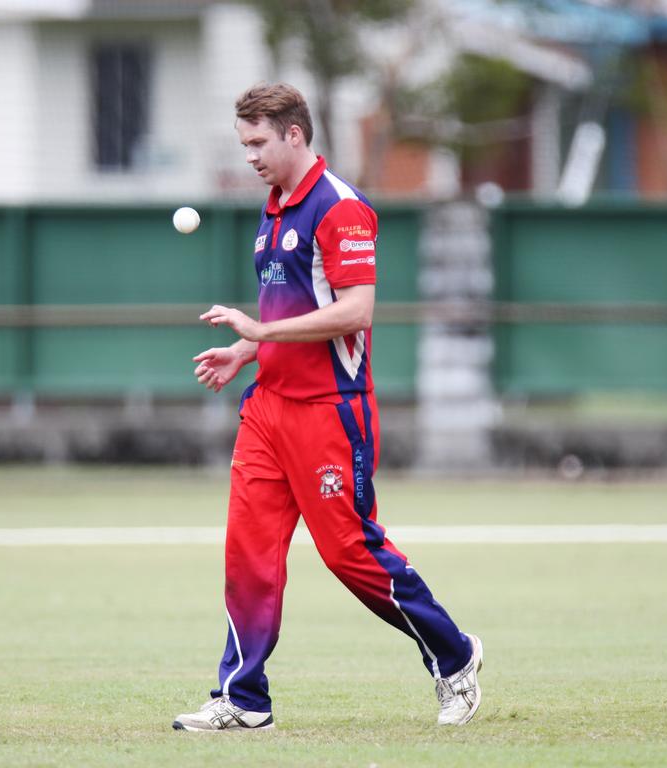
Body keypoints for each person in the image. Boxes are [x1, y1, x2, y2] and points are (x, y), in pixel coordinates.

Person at [172, 83, 482, 732]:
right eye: (244, 143)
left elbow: (355, 311)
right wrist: (246, 352)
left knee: (351, 554)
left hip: (329, 413)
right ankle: (243, 698)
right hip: (268, 410)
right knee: (248, 552)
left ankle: (454, 658)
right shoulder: (275, 208)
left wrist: (259, 333)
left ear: (295, 134)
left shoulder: (339, 208)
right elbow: (293, 312)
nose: (251, 155)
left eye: (259, 143)